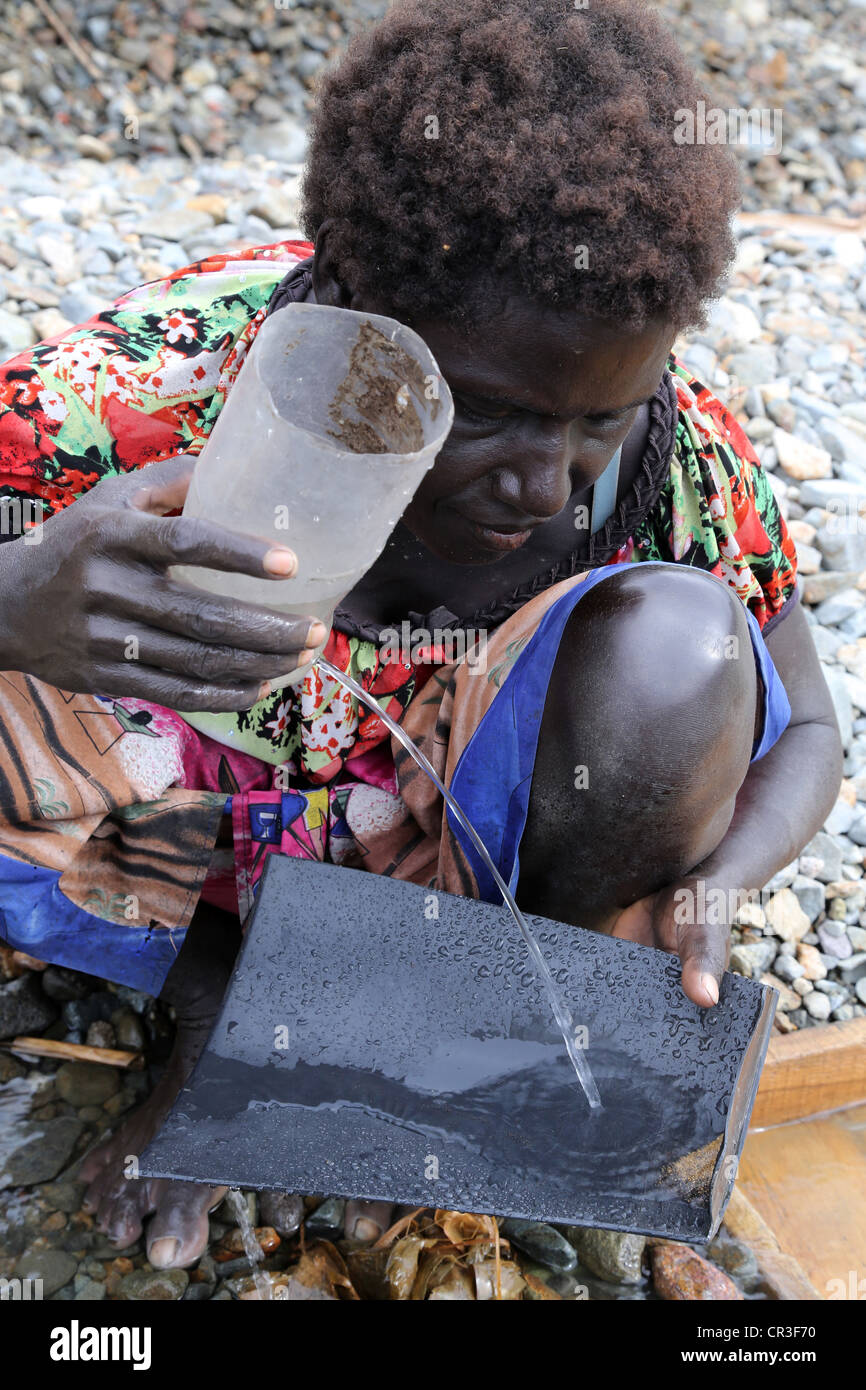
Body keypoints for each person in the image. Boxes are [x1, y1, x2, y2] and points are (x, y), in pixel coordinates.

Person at [0, 0, 841, 1269]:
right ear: (346, 290)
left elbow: (810, 726)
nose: (544, 485)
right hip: (178, 848)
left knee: (682, 656)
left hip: (448, 860)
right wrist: (22, 603)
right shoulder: (144, 395)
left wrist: (716, 881)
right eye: (492, 415)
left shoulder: (669, 453)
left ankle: (440, 1028)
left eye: (594, 422)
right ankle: (213, 993)